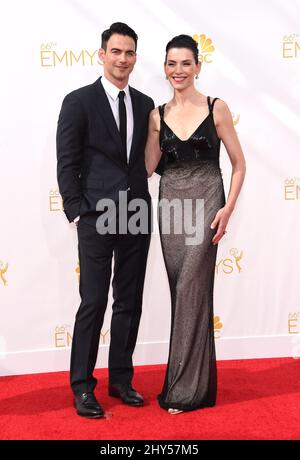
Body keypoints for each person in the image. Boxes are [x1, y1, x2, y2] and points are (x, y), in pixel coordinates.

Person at [57, 22, 154, 418]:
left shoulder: (147, 104)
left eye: (129, 52)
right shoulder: (79, 101)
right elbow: (67, 162)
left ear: (135, 57)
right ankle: (82, 386)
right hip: (96, 215)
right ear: (102, 54)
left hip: (136, 213)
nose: (122, 59)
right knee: (93, 301)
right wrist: (77, 208)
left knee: (129, 301)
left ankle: (121, 379)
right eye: (116, 51)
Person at [145, 35, 246, 414]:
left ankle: (185, 392)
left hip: (207, 205)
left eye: (186, 63)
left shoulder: (216, 108)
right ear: (165, 67)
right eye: (172, 63)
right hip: (170, 209)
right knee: (183, 294)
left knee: (191, 288)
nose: (178, 71)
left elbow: (239, 164)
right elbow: (146, 169)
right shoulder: (157, 116)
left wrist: (228, 208)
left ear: (198, 67)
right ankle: (190, 384)